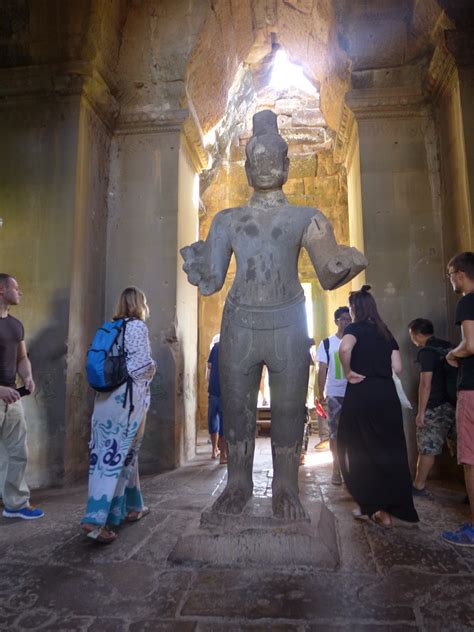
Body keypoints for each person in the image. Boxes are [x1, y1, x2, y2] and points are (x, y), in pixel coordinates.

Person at [181, 109, 367, 520]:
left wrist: (342, 262)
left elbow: (328, 271)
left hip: (288, 322)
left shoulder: (305, 217)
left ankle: (286, 487)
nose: (265, 164)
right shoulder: (227, 220)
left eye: (273, 157)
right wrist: (198, 263)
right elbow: (212, 280)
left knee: (287, 409)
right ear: (246, 166)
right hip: (239, 323)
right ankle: (237, 485)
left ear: (286, 164)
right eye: (257, 158)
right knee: (237, 409)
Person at [337, 285, 419, 527]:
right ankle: (392, 505)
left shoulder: (354, 329)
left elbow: (344, 347)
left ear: (354, 309)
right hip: (386, 395)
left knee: (357, 447)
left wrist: (349, 370)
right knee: (389, 449)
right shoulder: (385, 332)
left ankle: (373, 506)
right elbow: (398, 367)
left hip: (362, 393)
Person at [81, 286, 156, 543]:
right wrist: (153, 367)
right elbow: (142, 367)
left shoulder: (110, 328)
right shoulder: (137, 327)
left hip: (105, 401)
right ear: (139, 304)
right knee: (114, 459)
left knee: (122, 455)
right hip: (128, 403)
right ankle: (96, 521)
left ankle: (133, 507)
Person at [0, 274, 44, 520]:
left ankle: (15, 504)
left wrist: (27, 376)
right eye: (16, 288)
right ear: (1, 289)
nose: (20, 292)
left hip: (13, 398)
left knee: (17, 452)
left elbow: (21, 358)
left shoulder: (16, 325)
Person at [442, 252, 474, 547]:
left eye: (450, 275)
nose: (450, 280)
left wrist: (453, 353)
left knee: (470, 459)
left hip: (472, 388)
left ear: (460, 274)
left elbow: (471, 344)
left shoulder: (466, 301)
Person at [408, 318, 456, 497]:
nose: (412, 339)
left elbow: (425, 384)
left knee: (427, 448)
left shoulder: (427, 352)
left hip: (435, 407)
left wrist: (421, 412)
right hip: (455, 404)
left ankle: (419, 486)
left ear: (418, 334)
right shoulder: (448, 346)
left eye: (412, 335)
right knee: (462, 449)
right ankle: (469, 489)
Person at [316, 306, 352, 484]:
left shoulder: (355, 341)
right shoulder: (327, 343)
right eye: (343, 319)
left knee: (354, 432)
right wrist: (320, 392)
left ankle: (351, 469)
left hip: (354, 392)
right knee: (334, 433)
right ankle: (336, 468)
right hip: (335, 394)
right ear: (336, 321)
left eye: (349, 319)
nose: (346, 322)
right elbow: (321, 369)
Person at [207, 337, 227, 464]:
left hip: (213, 390)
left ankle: (214, 450)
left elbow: (209, 365)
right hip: (226, 392)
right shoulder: (231, 347)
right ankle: (223, 456)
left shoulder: (216, 347)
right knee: (224, 424)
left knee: (213, 421)